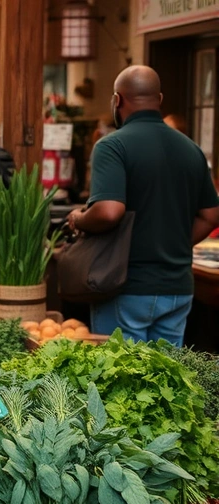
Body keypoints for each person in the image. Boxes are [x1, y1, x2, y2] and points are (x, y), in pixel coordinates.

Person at [66, 65, 219, 346]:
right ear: (158, 100)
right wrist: (175, 244)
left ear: (117, 100)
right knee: (165, 381)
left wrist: (79, 217)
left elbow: (110, 210)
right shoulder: (192, 149)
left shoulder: (112, 146)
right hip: (178, 287)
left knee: (121, 379)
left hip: (126, 285)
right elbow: (211, 216)